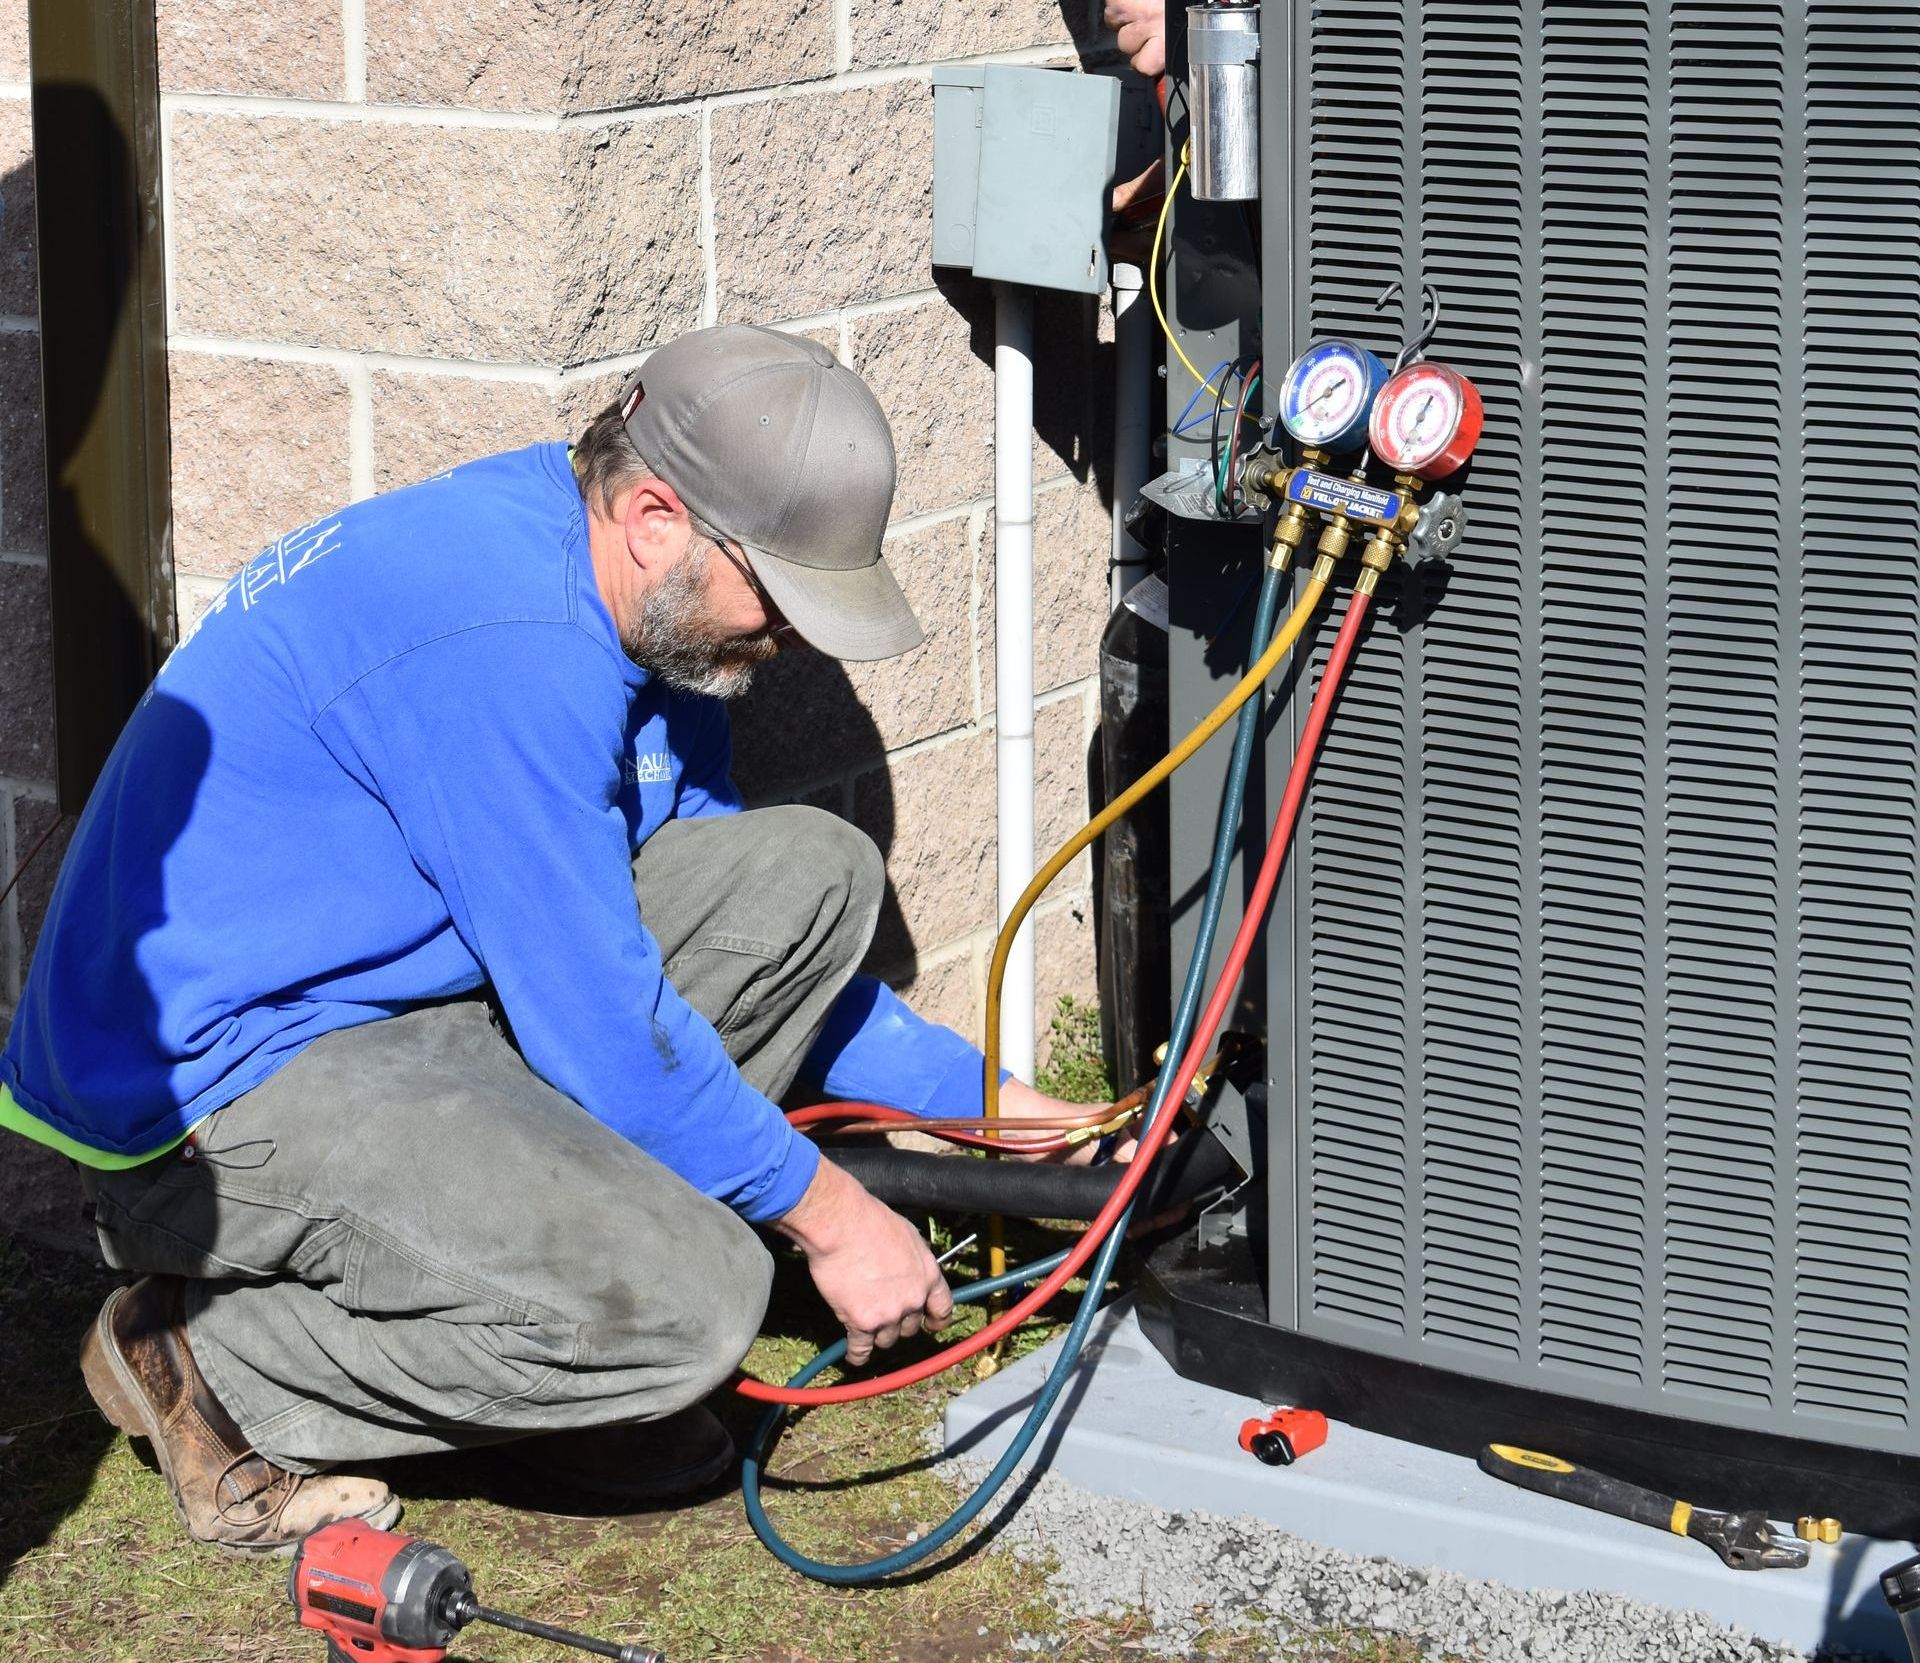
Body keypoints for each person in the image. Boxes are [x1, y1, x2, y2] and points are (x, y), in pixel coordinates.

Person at [0, 325, 1098, 1555]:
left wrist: (1007, 1112)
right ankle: (204, 1359)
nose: (791, 637)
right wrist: (834, 1215)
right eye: (780, 595)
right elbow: (610, 1033)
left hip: (401, 1005)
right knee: (697, 1303)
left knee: (812, 872)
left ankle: (552, 1269)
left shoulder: (648, 620)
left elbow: (688, 930)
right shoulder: (505, 649)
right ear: (654, 516)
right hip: (213, 1094)